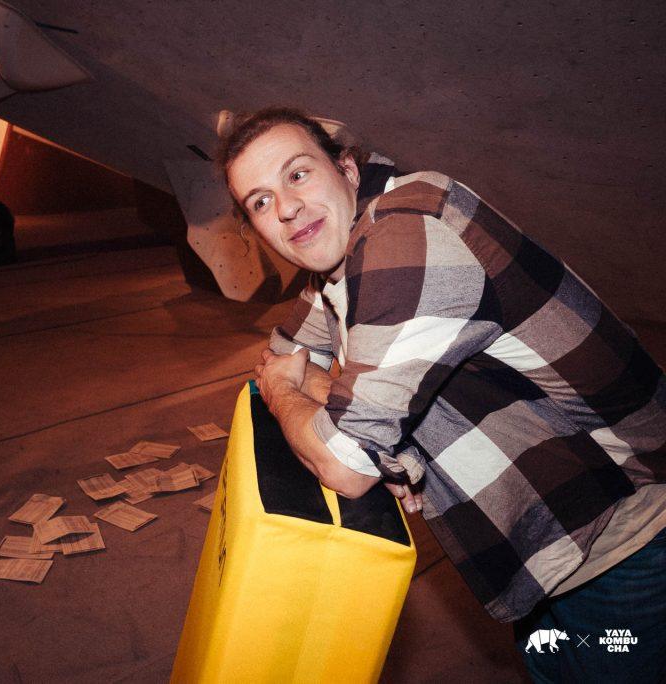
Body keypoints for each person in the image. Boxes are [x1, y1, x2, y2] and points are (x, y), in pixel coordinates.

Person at [220, 107, 665, 682]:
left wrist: (292, 392)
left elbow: (342, 461)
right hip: (552, 549)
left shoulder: (408, 233)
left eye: (298, 174)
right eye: (260, 201)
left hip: (624, 543)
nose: (286, 208)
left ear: (348, 169)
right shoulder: (341, 258)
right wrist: (345, 407)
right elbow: (282, 352)